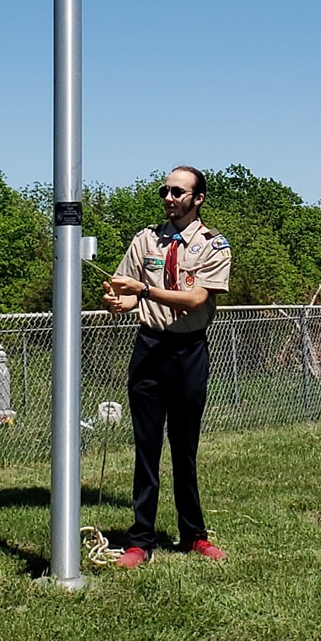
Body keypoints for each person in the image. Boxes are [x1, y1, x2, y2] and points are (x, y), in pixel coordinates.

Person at [103, 166, 232, 569]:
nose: (169, 197)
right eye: (166, 190)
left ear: (198, 199)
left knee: (184, 447)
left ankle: (194, 534)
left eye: (179, 192)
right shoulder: (145, 240)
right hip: (150, 348)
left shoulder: (213, 246)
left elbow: (195, 299)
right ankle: (139, 540)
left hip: (188, 352)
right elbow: (118, 284)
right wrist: (119, 301)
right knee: (146, 448)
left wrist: (141, 292)